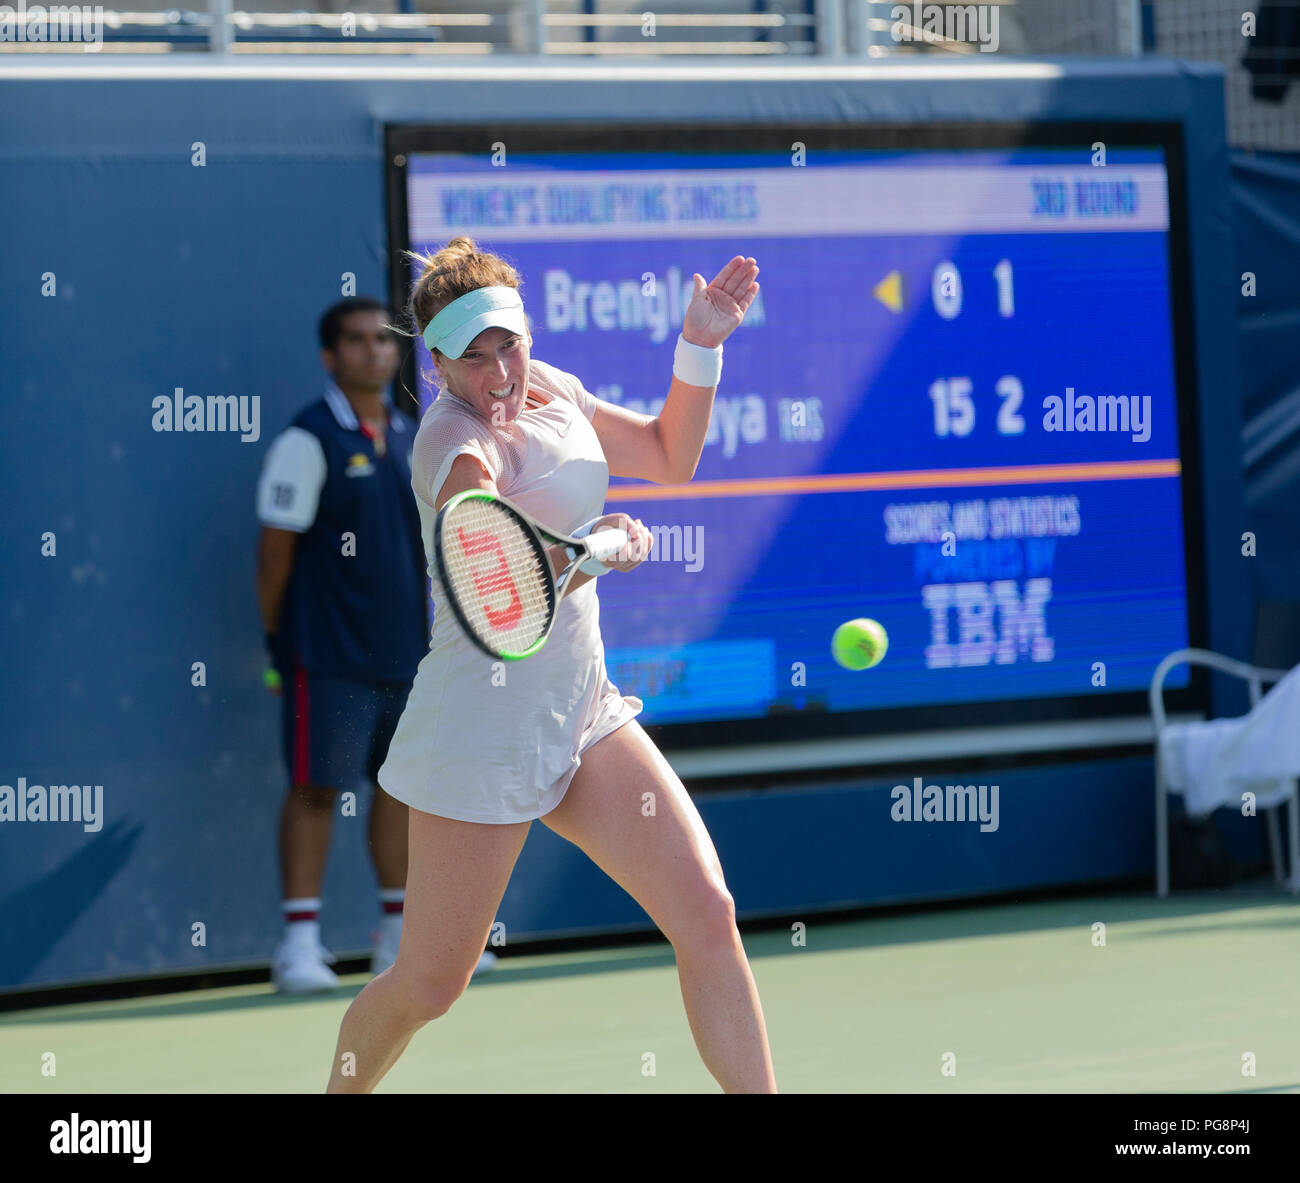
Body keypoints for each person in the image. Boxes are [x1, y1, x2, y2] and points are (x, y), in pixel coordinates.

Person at [325, 238, 777, 1093]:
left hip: (582, 711)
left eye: (510, 346)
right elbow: (480, 531)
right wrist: (593, 548)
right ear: (440, 363)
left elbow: (667, 454)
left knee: (707, 914)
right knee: (429, 984)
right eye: (473, 358)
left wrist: (700, 345)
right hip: (482, 734)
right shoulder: (451, 445)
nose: (499, 373)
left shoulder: (553, 387)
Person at [256, 296, 496, 993]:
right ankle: (298, 945)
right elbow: (274, 554)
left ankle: (399, 935)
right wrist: (281, 644)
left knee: (401, 792)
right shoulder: (307, 439)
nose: (374, 352)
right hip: (324, 657)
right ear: (331, 356)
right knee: (315, 789)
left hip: (408, 657)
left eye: (385, 342)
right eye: (357, 342)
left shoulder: (411, 433)